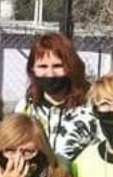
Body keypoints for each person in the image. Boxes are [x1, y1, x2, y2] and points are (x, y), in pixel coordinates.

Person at [13, 32, 99, 162]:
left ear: (71, 67)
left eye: (58, 66)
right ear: (33, 70)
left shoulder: (93, 105)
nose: (50, 74)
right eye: (42, 66)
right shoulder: (25, 107)